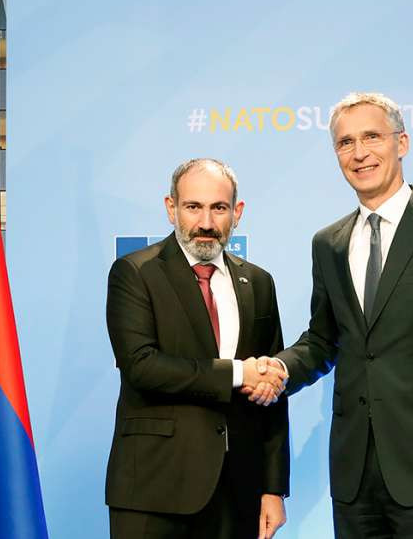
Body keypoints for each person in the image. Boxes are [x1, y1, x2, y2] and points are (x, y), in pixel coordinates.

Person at [249, 93, 413, 538]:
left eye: (371, 137)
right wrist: (279, 370)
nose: (359, 153)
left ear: (402, 142)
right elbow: (323, 340)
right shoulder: (328, 243)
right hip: (353, 472)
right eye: (345, 142)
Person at [105, 158, 290, 539]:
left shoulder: (258, 282)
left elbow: (272, 395)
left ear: (237, 212)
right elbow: (142, 366)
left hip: (238, 492)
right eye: (193, 207)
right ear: (171, 208)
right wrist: (238, 373)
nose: (206, 222)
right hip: (153, 490)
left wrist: (273, 488)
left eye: (218, 208)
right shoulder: (135, 272)